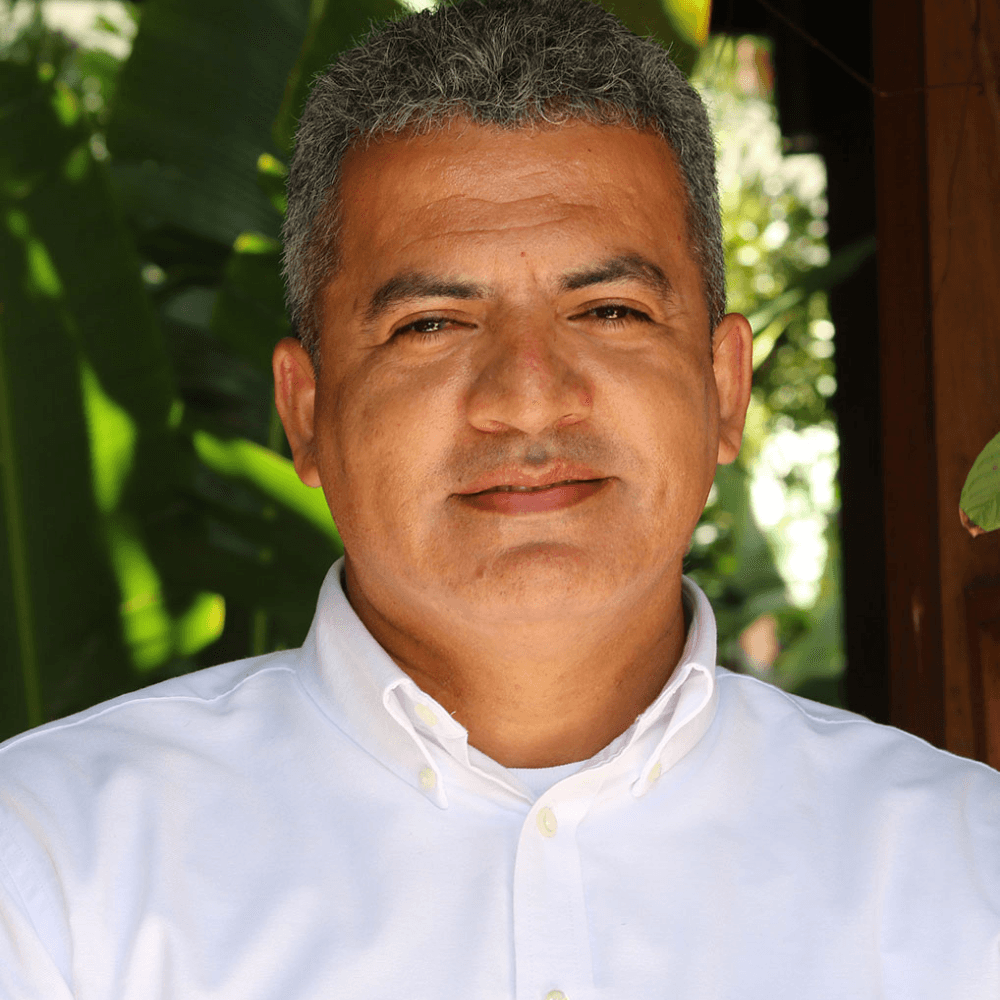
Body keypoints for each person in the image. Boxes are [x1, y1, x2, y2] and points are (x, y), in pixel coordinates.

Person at [1, 0, 998, 996]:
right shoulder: (48, 869)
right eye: (432, 323)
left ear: (725, 390)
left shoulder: (963, 870)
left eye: (609, 310)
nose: (526, 396)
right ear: (304, 412)